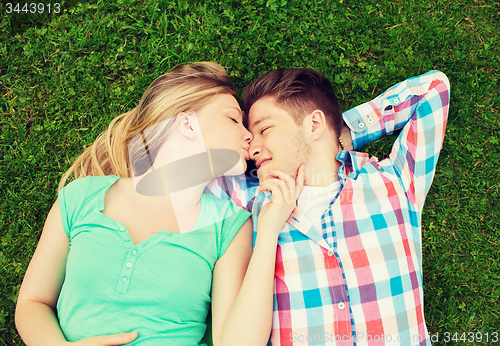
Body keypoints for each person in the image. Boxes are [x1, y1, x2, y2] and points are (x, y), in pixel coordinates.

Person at [15, 62, 304, 346]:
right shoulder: (81, 197)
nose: (249, 136)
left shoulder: (230, 226)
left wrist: (267, 233)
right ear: (187, 123)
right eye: (232, 119)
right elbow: (33, 302)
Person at [206, 68, 450, 345]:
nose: (253, 149)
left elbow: (433, 88)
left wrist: (340, 134)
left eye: (264, 129)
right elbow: (174, 172)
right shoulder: (248, 201)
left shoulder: (395, 181)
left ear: (314, 125)